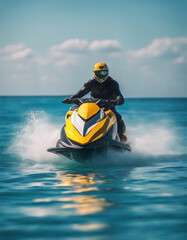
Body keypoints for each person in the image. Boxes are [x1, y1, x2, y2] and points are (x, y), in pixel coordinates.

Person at [63, 62, 127, 142]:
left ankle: (122, 139)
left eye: (104, 72)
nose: (101, 75)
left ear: (108, 72)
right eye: (98, 73)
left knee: (117, 118)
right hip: (93, 106)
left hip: (108, 106)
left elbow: (118, 94)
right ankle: (72, 137)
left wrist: (119, 99)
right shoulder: (90, 83)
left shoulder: (113, 83)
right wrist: (71, 99)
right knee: (73, 112)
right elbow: (80, 93)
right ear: (94, 73)